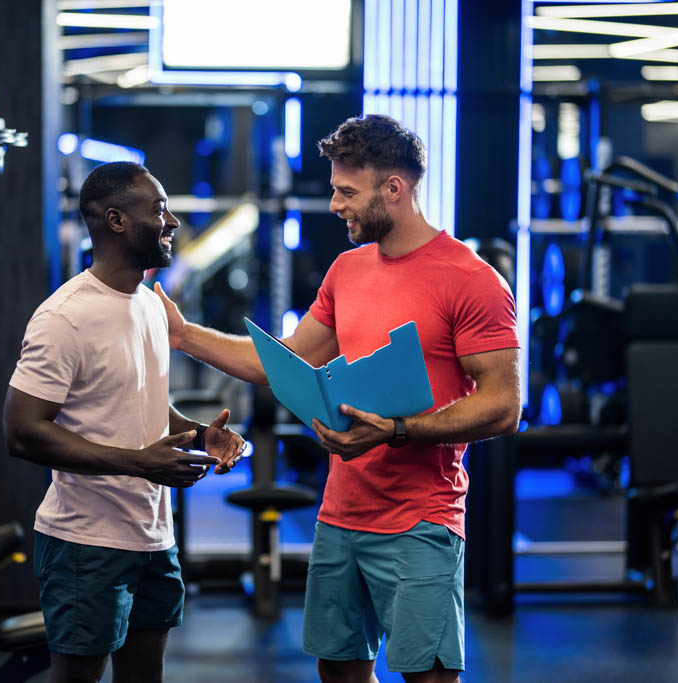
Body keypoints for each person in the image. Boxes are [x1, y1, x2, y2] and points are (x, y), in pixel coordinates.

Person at [154, 114, 521, 683]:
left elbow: (503, 404)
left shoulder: (471, 280)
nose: (334, 205)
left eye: (347, 192)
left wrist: (397, 430)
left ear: (393, 189)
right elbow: (282, 363)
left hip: (421, 519)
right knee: (339, 671)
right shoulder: (346, 271)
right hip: (341, 514)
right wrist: (183, 335)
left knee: (428, 676)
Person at [3, 161, 246, 683]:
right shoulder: (64, 317)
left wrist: (200, 434)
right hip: (86, 543)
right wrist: (137, 464)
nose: (172, 222)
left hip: (153, 537)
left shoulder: (150, 306)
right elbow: (22, 431)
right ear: (116, 220)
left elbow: (144, 404)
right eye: (159, 210)